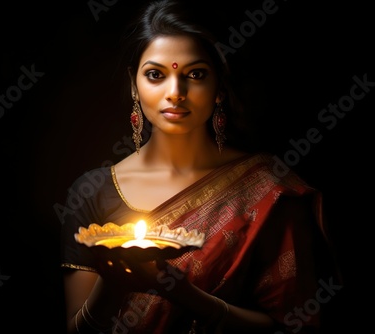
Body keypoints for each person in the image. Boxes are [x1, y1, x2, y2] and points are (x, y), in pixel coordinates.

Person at [59, 0, 341, 333]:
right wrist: (113, 284)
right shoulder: (92, 192)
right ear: (134, 85)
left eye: (195, 74)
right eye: (155, 75)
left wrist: (184, 295)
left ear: (220, 87)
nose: (175, 93)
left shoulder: (269, 188)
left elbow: (292, 326)